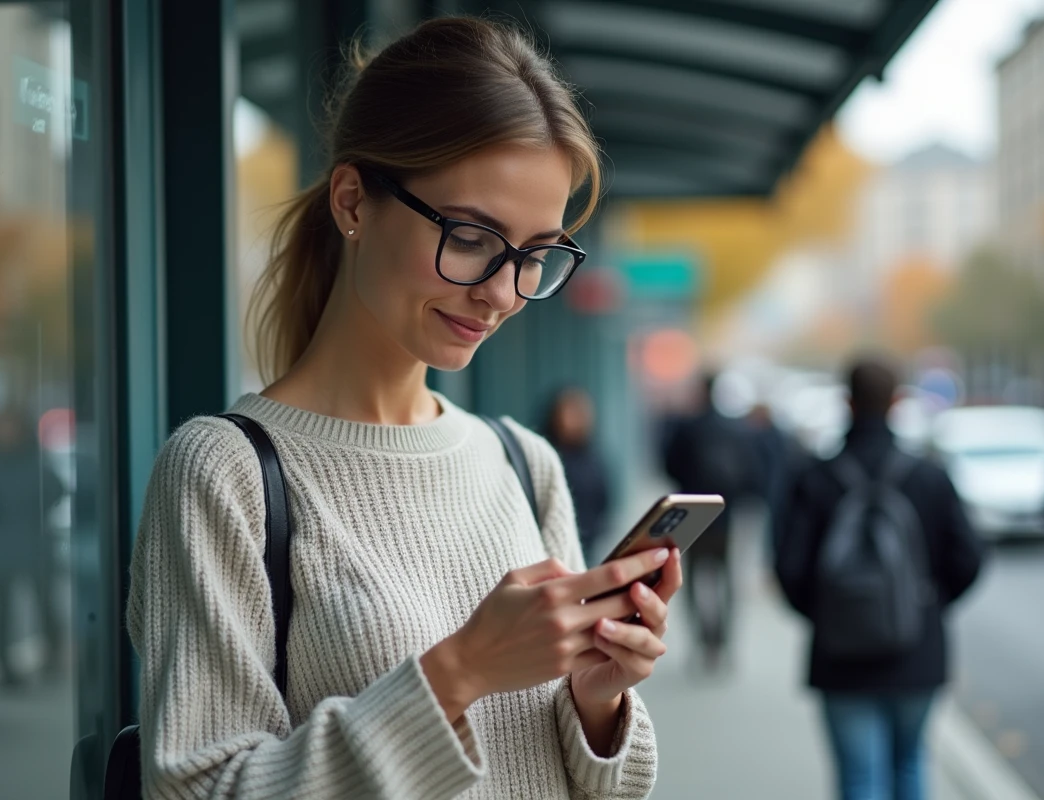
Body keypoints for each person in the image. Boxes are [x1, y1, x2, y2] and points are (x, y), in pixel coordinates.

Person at [126, 18, 676, 799]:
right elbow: (202, 788)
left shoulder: (525, 465)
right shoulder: (226, 475)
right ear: (353, 200)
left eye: (535, 255)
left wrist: (597, 702)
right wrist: (460, 671)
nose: (502, 292)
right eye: (473, 236)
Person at [775, 359, 982, 800]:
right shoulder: (929, 475)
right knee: (910, 766)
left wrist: (829, 613)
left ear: (847, 402)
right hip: (918, 650)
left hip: (839, 656)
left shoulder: (813, 478)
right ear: (897, 401)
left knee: (859, 778)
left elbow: (788, 568)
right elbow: (969, 558)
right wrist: (926, 604)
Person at [661, 372, 751, 666]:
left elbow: (668, 464)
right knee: (726, 579)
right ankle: (722, 639)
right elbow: (750, 470)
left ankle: (702, 638)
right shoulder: (734, 428)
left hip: (692, 514)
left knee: (692, 579)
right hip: (725, 513)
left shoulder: (688, 427)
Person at [0, 406, 66, 686]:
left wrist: (34, 513)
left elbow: (56, 489)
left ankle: (52, 655)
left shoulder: (35, 460)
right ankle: (3, 667)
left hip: (33, 541)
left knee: (44, 603)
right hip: (1, 544)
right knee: (2, 608)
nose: (4, 433)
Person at [543, 387, 613, 560]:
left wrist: (596, 529)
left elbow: (604, 497)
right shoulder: (546, 455)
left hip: (588, 540)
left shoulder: (593, 458)